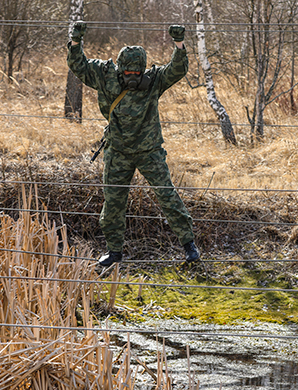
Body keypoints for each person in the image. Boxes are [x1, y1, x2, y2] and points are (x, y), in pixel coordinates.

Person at [67, 21, 200, 267]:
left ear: (142, 70)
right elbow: (78, 66)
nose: (131, 77)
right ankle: (114, 251)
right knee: (114, 201)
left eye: (136, 73)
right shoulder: (104, 75)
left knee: (167, 196)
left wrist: (179, 44)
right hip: (118, 150)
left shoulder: (154, 80)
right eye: (127, 73)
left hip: (149, 151)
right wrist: (76, 41)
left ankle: (188, 244)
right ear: (119, 69)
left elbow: (177, 70)